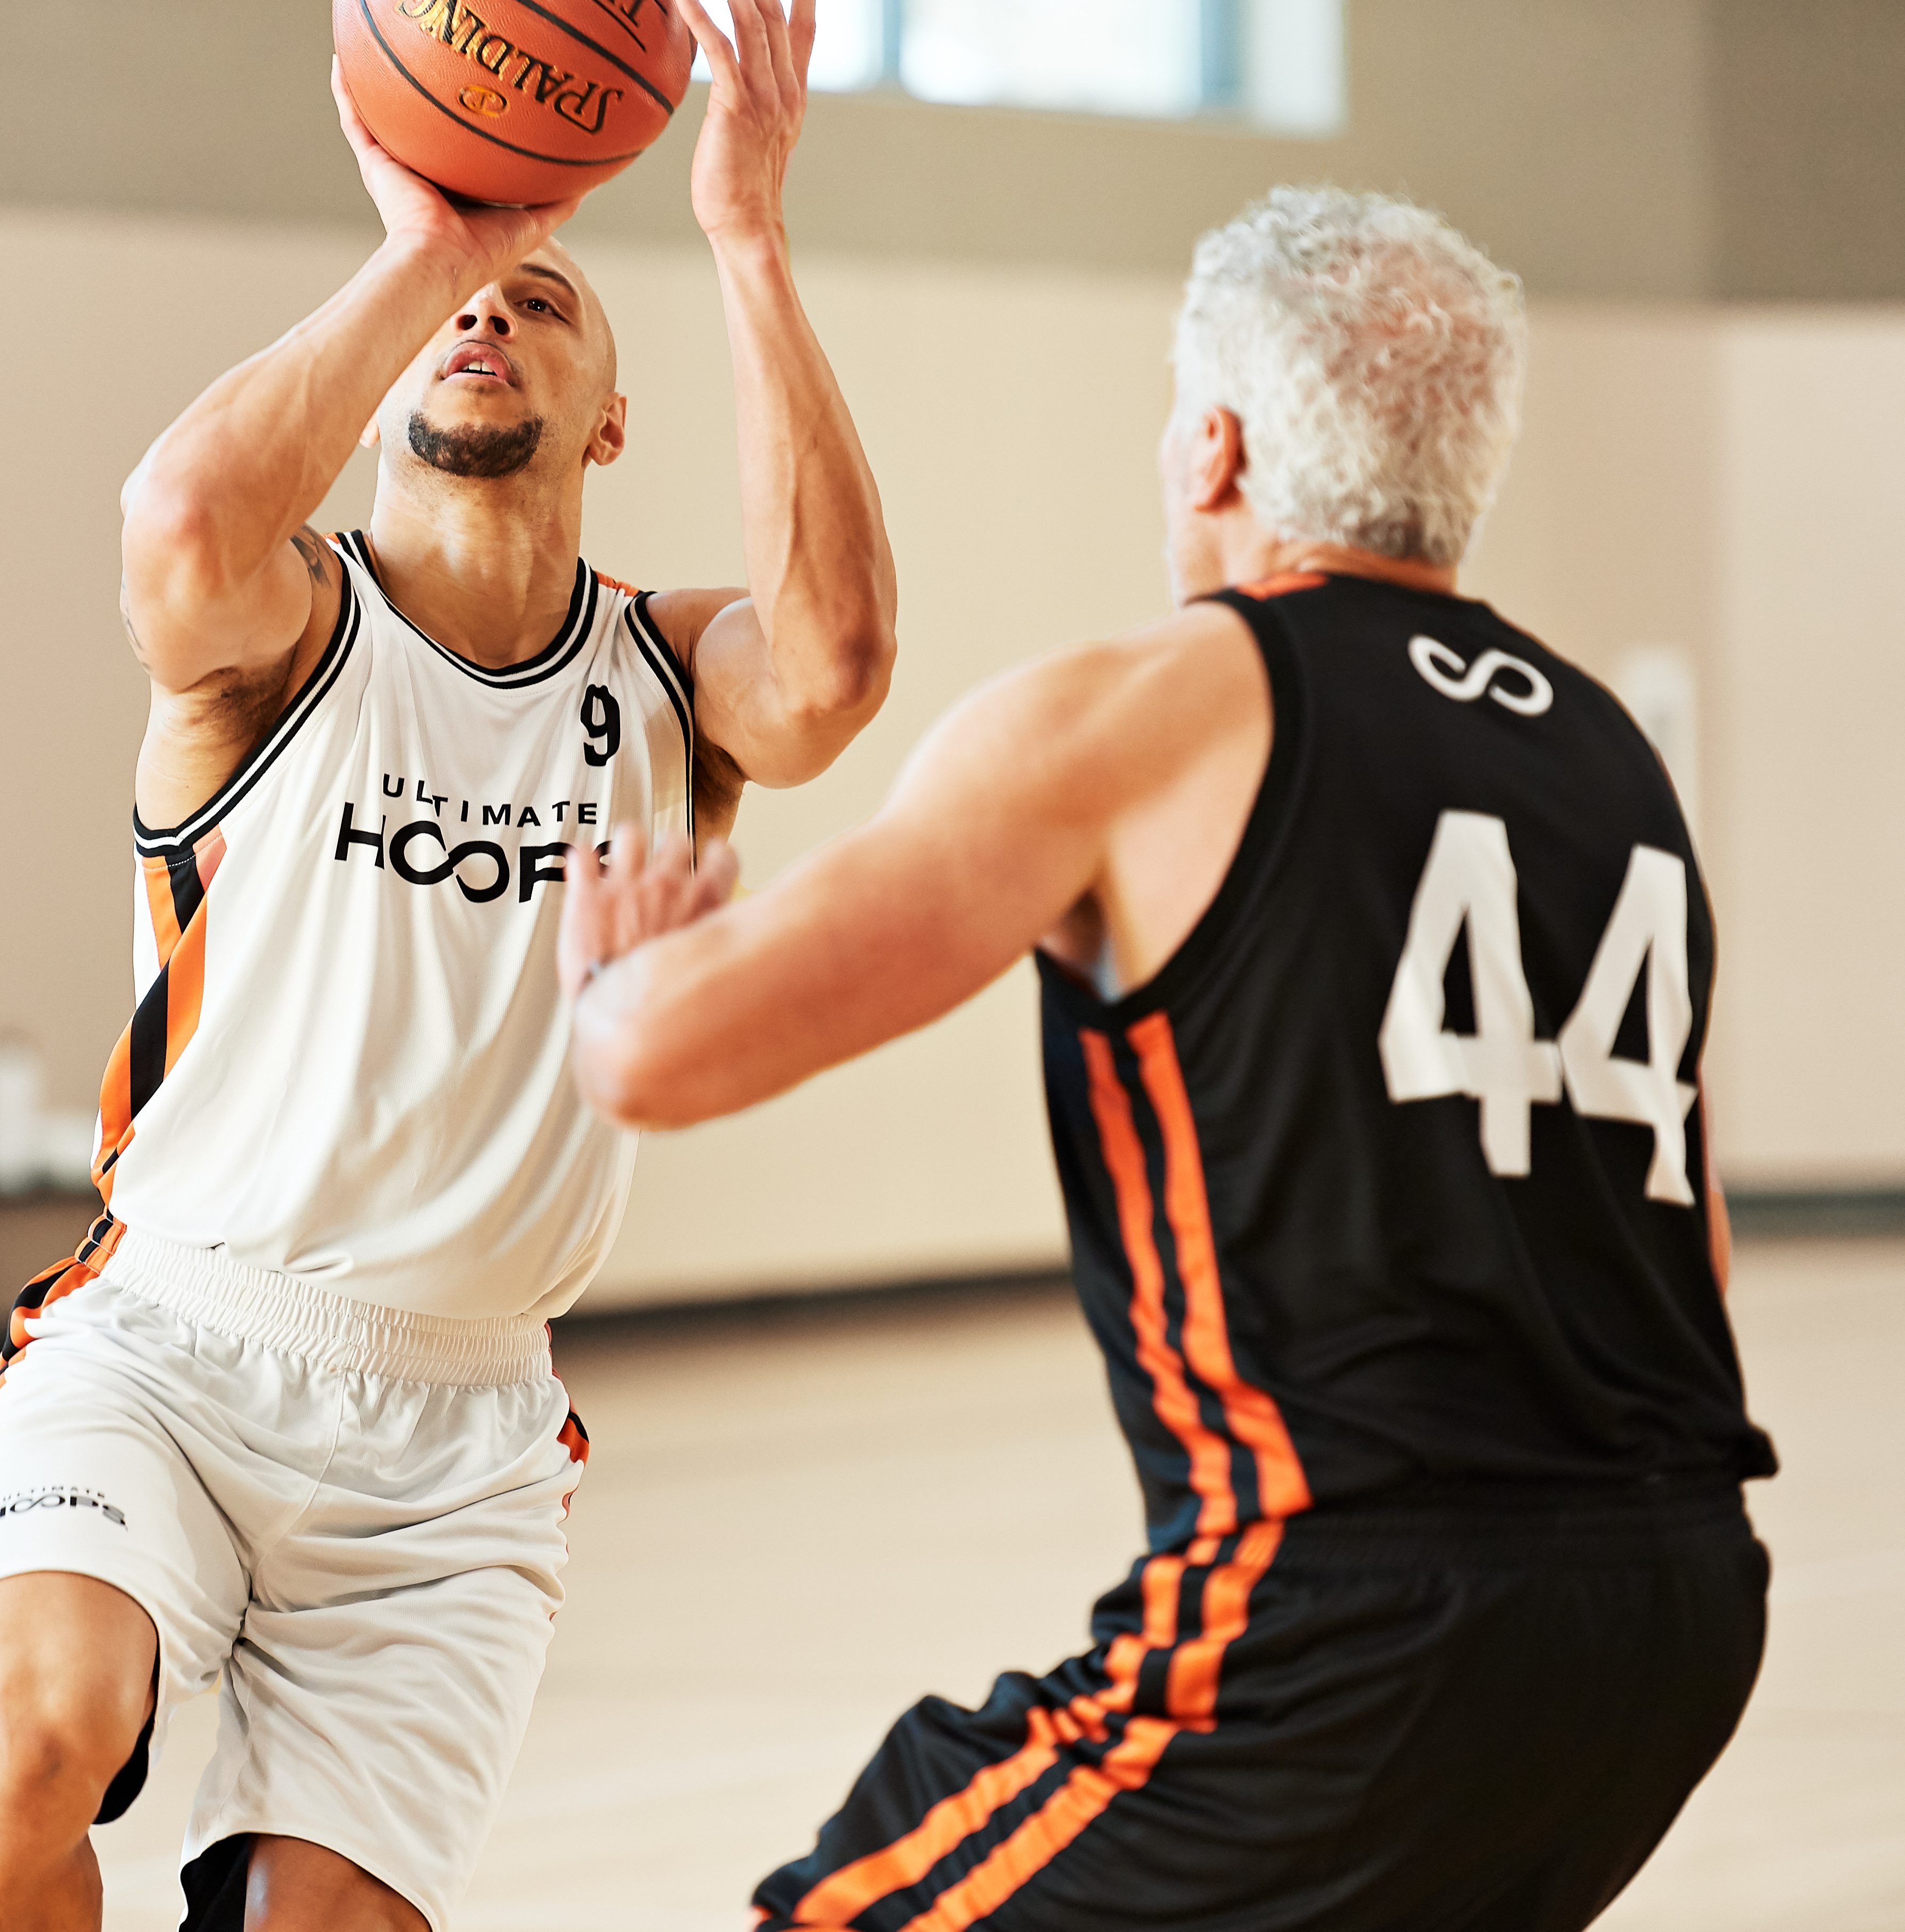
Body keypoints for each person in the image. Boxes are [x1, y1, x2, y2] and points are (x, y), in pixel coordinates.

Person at [561, 186, 1776, 1931]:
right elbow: (1690, 1251)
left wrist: (622, 973)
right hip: (1672, 1611)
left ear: (1211, 446)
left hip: (1349, 1619)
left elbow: (664, 1059)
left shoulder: (1145, 709)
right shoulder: (1605, 759)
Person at [0, 3, 897, 1927]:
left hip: (456, 1441)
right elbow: (181, 523)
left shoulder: (669, 680)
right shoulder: (276, 641)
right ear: (371, 389)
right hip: (173, 1347)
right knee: (31, 1742)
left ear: (609, 420)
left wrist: (745, 232)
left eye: (546, 302)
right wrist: (430, 242)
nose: (490, 316)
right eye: (466, 301)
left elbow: (838, 670)